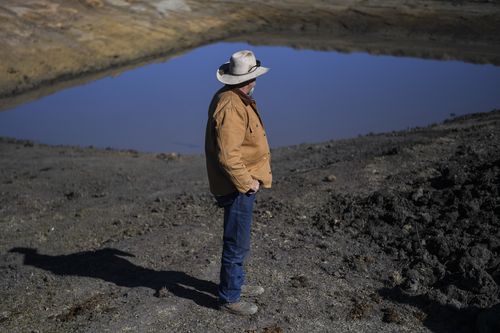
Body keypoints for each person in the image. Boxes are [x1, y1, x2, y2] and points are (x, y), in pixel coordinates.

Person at [205, 50, 272, 315]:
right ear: (251, 78)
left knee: (239, 240)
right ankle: (230, 298)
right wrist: (247, 183)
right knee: (236, 243)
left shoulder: (232, 97)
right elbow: (228, 156)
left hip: (239, 183)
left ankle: (236, 284)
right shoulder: (232, 105)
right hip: (237, 186)